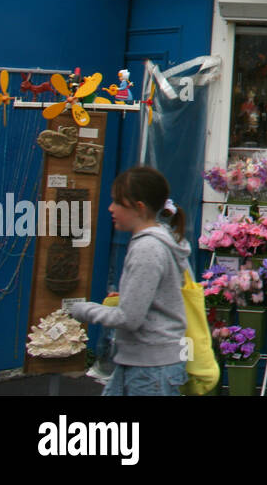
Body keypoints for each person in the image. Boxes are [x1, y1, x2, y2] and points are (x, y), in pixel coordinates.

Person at [67, 166, 189, 396]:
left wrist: (83, 310)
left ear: (139, 207)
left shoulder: (147, 248)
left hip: (150, 369)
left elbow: (129, 318)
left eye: (117, 203)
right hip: (145, 363)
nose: (110, 208)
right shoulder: (159, 241)